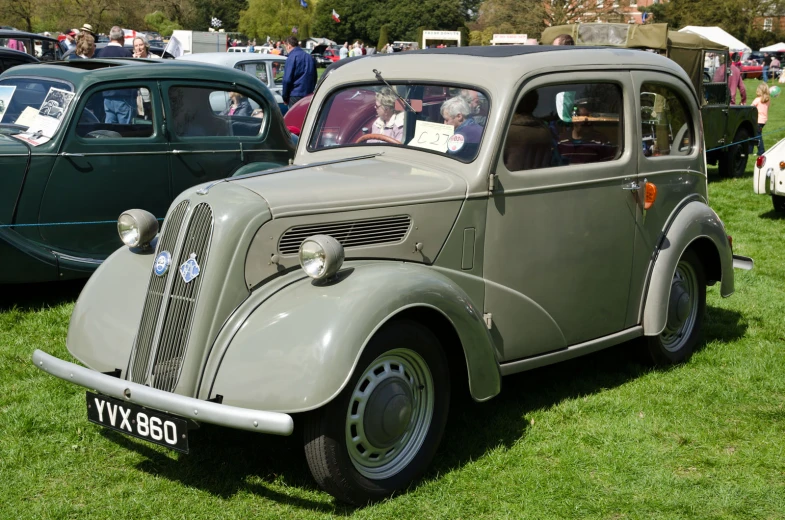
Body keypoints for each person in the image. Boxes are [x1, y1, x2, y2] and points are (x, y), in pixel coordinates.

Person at [281, 36, 316, 108]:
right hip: (308, 93)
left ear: (288, 46)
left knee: (293, 118)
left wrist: (285, 96)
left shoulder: (291, 57)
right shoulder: (309, 57)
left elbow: (287, 80)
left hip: (295, 93)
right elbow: (314, 77)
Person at [752, 83, 770, 156]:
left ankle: (761, 151)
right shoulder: (767, 100)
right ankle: (750, 150)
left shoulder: (757, 100)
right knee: (754, 135)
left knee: (757, 136)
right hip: (763, 121)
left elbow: (751, 108)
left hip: (758, 120)